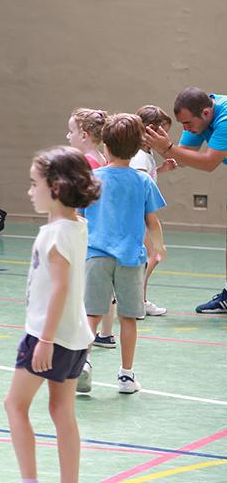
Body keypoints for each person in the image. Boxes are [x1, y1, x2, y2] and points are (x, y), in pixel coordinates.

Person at [3, 146, 100, 483]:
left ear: (55, 187)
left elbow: (59, 288)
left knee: (14, 405)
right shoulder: (77, 225)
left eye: (34, 184)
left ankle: (29, 479)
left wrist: (44, 340)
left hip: (48, 336)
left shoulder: (55, 235)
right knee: (61, 411)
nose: (30, 191)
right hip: (76, 338)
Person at [77, 114, 165, 395]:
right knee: (128, 318)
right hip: (130, 258)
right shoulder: (142, 181)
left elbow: (78, 218)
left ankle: (83, 363)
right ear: (138, 147)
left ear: (105, 145)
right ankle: (126, 376)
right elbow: (152, 221)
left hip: (96, 256)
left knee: (91, 313)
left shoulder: (92, 179)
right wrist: (159, 246)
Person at [145, 87, 227, 314]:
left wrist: (167, 148)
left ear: (206, 114)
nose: (186, 129)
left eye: (188, 124)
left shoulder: (225, 118)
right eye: (182, 124)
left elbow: (209, 163)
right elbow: (180, 158)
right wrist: (160, 147)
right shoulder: (197, 118)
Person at [65, 108, 117, 347]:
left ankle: (83, 332)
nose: (68, 136)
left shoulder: (85, 162)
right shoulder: (103, 158)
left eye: (71, 131)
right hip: (102, 228)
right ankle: (106, 333)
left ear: (84, 135)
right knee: (105, 284)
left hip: (88, 230)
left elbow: (80, 199)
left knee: (87, 285)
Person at [130, 105, 177, 318]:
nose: (165, 137)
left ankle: (140, 299)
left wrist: (160, 170)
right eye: (163, 132)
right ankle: (134, 299)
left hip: (140, 215)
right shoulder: (139, 156)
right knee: (153, 255)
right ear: (150, 130)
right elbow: (138, 185)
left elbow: (145, 178)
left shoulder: (146, 154)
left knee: (149, 257)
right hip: (138, 216)